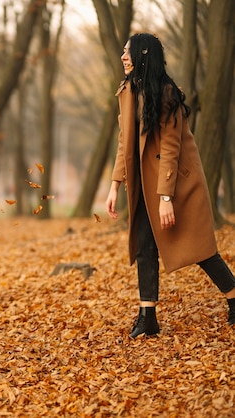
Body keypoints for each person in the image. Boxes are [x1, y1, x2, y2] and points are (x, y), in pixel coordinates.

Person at [105, 33, 235, 338]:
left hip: (177, 184)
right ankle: (147, 316)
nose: (123, 57)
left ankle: (233, 296)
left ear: (143, 54)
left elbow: (171, 147)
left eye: (128, 52)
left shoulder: (167, 94)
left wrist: (165, 196)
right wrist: (115, 185)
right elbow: (124, 144)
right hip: (143, 187)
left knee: (198, 248)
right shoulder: (126, 91)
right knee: (145, 248)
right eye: (123, 52)